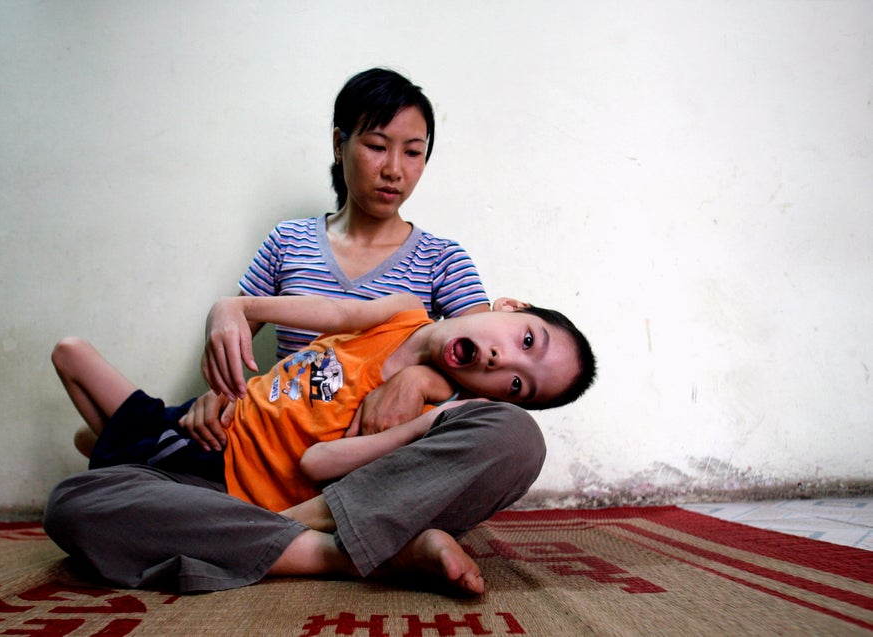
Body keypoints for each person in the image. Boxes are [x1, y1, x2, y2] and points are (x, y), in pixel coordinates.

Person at [44, 292, 596, 594]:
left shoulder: (440, 406)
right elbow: (333, 312)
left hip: (264, 500)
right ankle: (368, 557)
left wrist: (428, 421)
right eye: (527, 339)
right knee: (74, 502)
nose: (507, 362)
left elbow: (319, 462)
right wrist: (238, 307)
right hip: (207, 462)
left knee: (518, 439)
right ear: (508, 305)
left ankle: (307, 542)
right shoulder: (402, 312)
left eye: (520, 384)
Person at [71, 67, 490, 457]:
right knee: (102, 441)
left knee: (504, 433)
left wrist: (417, 379)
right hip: (283, 437)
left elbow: (492, 379)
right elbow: (234, 333)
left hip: (378, 451)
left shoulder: (442, 260)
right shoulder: (289, 241)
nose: (394, 170)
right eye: (377, 146)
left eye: (413, 153)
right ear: (338, 144)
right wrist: (219, 391)